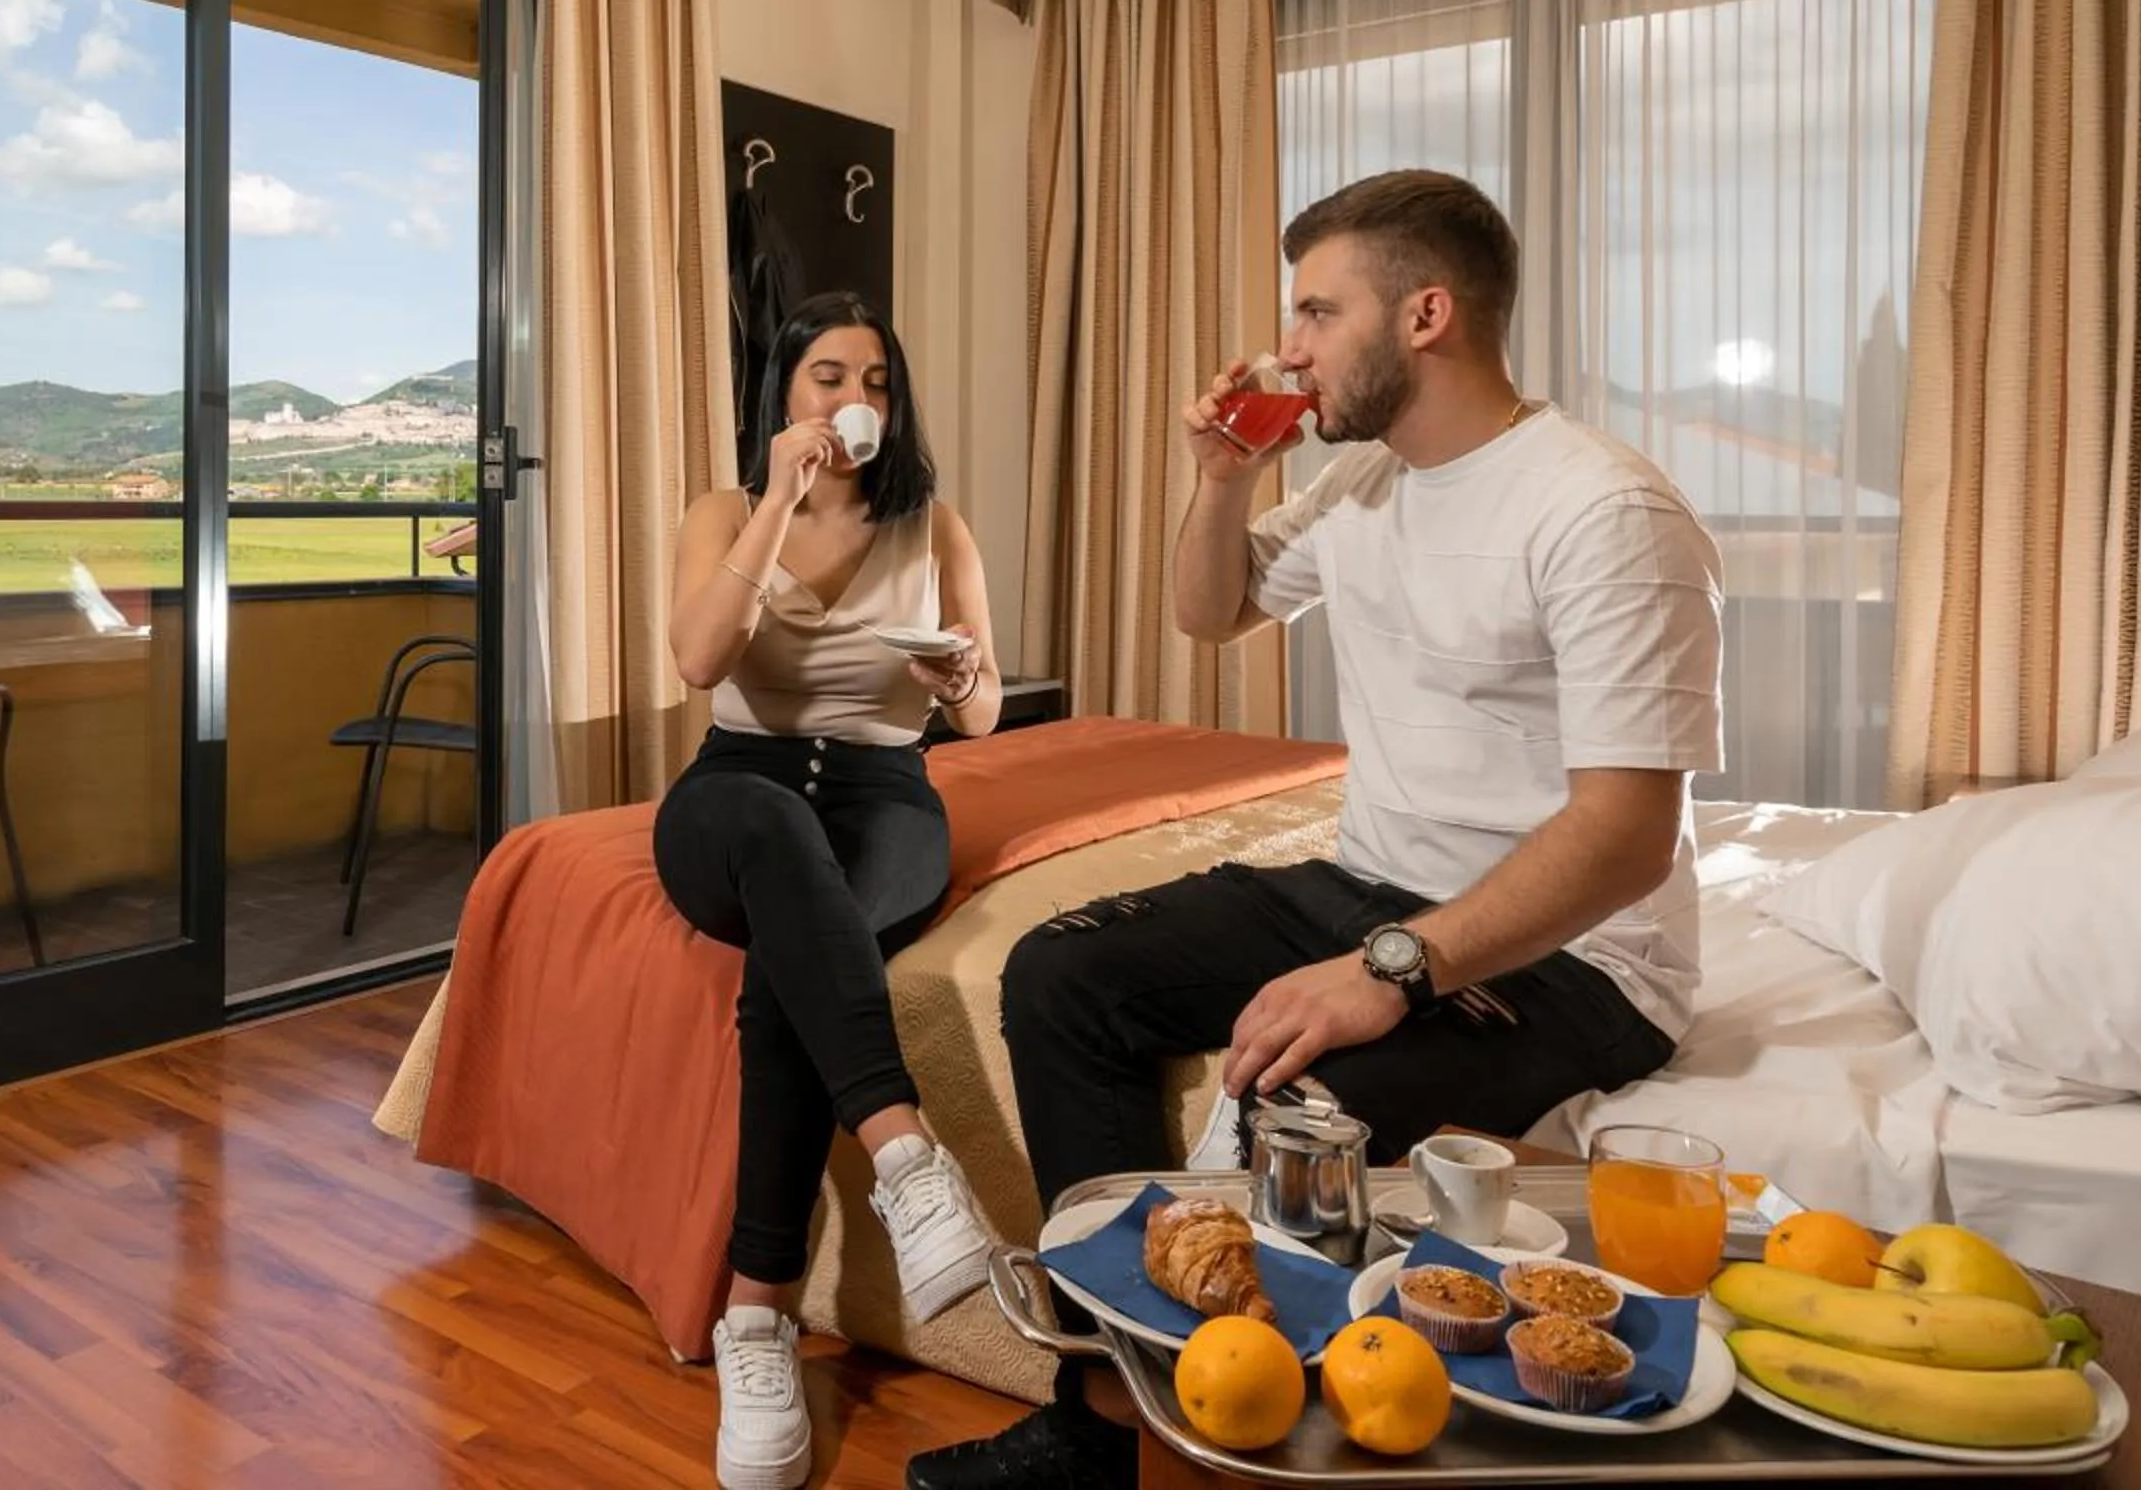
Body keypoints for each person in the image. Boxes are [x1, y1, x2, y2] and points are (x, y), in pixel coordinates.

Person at [907, 169, 1723, 1490]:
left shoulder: (1604, 511)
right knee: (1062, 973)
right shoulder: (1362, 486)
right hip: (1368, 878)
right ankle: (1111, 1417)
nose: (1288, 347)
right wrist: (1222, 477)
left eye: (1316, 312)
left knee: (1304, 1116)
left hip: (1578, 960)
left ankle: (1260, 1435)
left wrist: (1392, 970)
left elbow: (1629, 836)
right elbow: (1209, 609)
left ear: (1425, 316)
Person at [661, 290, 1008, 1490]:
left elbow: (983, 711)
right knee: (774, 832)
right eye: (829, 376)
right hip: (736, 788)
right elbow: (699, 658)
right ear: (786, 391)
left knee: (793, 958)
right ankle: (909, 1159)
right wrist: (777, 500)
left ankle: (755, 1314)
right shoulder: (724, 511)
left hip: (883, 795)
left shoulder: (935, 525)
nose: (855, 399)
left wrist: (959, 675)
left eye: (876, 382)